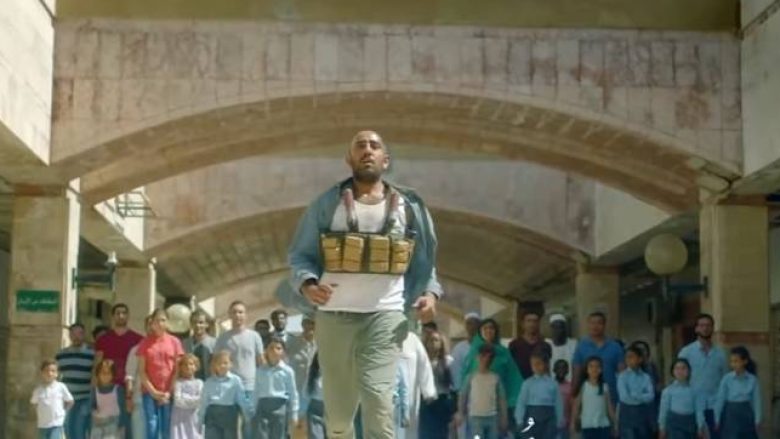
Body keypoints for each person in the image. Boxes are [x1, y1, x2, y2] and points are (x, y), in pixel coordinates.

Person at [287, 130, 442, 439]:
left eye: (374, 146)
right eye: (360, 146)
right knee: (339, 417)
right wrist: (308, 285)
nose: (367, 150)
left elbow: (424, 261)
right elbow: (300, 255)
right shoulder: (327, 204)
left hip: (386, 316)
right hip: (334, 317)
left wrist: (430, 294)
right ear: (349, 158)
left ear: (386, 160)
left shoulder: (409, 206)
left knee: (379, 401)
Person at [214, 300, 265, 439]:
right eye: (234, 312)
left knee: (249, 424)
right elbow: (215, 362)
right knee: (229, 424)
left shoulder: (254, 336)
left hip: (250, 386)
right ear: (230, 315)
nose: (238, 315)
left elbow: (261, 361)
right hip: (228, 387)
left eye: (241, 312)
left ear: (246, 315)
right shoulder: (223, 338)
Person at [461, 318, 523, 430]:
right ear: (480, 331)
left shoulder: (504, 352)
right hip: (477, 408)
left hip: (498, 406)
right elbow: (465, 377)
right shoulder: (474, 352)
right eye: (485, 328)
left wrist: (511, 402)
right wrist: (461, 409)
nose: (488, 331)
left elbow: (513, 377)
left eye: (491, 328)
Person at [94, 304, 144, 439]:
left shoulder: (138, 339)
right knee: (108, 427)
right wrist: (95, 388)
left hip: (129, 388)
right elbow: (97, 365)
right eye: (118, 313)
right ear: (113, 316)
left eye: (124, 313)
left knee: (128, 425)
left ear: (128, 316)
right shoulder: (103, 339)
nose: (121, 316)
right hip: (108, 389)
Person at [677, 313, 728, 439]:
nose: (705, 328)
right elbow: (680, 379)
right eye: (702, 325)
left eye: (708, 325)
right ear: (696, 328)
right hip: (691, 406)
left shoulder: (720, 354)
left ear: (712, 328)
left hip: (714, 406)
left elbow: (725, 380)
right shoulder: (686, 352)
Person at [137, 308, 184, 439]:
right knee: (152, 425)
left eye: (163, 320)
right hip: (149, 392)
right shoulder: (145, 343)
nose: (160, 323)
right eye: (157, 320)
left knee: (167, 427)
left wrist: (169, 392)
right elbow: (141, 371)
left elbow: (177, 370)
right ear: (152, 323)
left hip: (168, 392)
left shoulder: (175, 342)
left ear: (167, 322)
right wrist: (153, 392)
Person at [456, 344, 508, 439]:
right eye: (483, 356)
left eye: (489, 358)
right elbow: (463, 396)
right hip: (475, 417)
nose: (486, 360)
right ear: (477, 357)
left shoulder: (495, 378)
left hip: (492, 417)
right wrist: (460, 413)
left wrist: (504, 418)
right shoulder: (471, 377)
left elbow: (502, 399)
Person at [571, 312, 624, 405]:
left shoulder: (615, 347)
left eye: (599, 323)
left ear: (604, 325)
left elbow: (622, 373)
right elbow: (577, 372)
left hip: (611, 395)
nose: (595, 326)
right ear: (588, 325)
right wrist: (573, 394)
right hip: (588, 396)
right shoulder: (581, 346)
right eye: (592, 323)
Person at [252, 336, 299, 439]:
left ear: (283, 352)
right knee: (262, 435)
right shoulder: (260, 370)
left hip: (280, 407)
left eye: (278, 348)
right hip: (262, 407)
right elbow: (256, 391)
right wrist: (253, 409)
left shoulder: (287, 371)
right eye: (271, 348)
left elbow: (293, 393)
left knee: (279, 435)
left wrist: (294, 413)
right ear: (266, 350)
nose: (274, 351)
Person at [199, 351, 252, 439]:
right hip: (212, 414)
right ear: (214, 365)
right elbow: (203, 403)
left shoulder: (235, 380)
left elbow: (241, 400)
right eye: (219, 363)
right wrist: (200, 421)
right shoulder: (209, 382)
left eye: (225, 363)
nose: (222, 366)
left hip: (229, 414)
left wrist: (247, 415)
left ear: (231, 364)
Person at [56, 323, 95, 439]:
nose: (76, 337)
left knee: (80, 432)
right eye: (73, 334)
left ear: (84, 335)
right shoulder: (61, 355)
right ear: (69, 335)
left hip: (84, 399)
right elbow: (56, 376)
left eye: (79, 333)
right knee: (68, 431)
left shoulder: (92, 354)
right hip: (67, 401)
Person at [714, 346, 761, 439]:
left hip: (746, 414)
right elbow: (720, 400)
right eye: (732, 361)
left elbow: (756, 401)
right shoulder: (727, 379)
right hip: (731, 414)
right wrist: (717, 418)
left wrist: (757, 420)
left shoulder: (752, 380)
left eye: (736, 361)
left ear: (745, 361)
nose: (733, 364)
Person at [515, 351, 564, 439]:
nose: (536, 367)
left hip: (549, 416)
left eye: (539, 363)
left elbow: (558, 403)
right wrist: (519, 420)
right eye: (533, 364)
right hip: (532, 415)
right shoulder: (527, 383)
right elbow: (521, 402)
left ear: (545, 364)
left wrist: (559, 421)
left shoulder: (553, 383)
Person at [399, 330, 437, 439]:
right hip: (386, 395)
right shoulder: (379, 336)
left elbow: (424, 365)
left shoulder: (412, 339)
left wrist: (428, 391)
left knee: (409, 432)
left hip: (410, 396)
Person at [419, 329, 455, 439]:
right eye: (431, 340)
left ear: (441, 343)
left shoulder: (448, 361)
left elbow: (454, 385)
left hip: (442, 401)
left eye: (436, 340)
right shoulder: (422, 362)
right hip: (426, 403)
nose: (433, 343)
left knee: (441, 434)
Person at [571, 356, 617, 439]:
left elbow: (609, 408)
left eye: (597, 366)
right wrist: (573, 424)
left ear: (601, 369)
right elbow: (576, 407)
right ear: (586, 369)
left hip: (603, 425)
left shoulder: (605, 386)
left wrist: (615, 424)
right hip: (587, 425)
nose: (594, 369)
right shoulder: (583, 386)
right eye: (591, 366)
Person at [658, 358, 705, 439]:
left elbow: (699, 410)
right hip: (674, 424)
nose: (680, 371)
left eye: (683, 368)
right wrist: (662, 427)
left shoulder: (695, 391)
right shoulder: (668, 391)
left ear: (689, 371)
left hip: (690, 424)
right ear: (673, 371)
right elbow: (663, 411)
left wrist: (700, 426)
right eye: (677, 368)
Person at [617, 346, 655, 439]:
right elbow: (624, 397)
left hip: (643, 417)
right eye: (627, 357)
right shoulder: (622, 376)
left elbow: (650, 396)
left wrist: (634, 395)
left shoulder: (646, 377)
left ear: (640, 359)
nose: (628, 360)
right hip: (627, 416)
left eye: (631, 357)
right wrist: (642, 397)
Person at [31, 360, 74, 439]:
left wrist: (64, 412)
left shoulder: (61, 387)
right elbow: (34, 403)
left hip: (56, 424)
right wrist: (41, 412)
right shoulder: (38, 390)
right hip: (42, 425)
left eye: (53, 371)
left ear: (57, 373)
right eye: (47, 371)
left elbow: (70, 401)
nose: (50, 373)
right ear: (42, 373)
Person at [126, 316, 152, 439]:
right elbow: (130, 376)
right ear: (145, 327)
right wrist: (129, 398)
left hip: (160, 401)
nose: (153, 327)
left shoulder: (168, 347)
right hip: (139, 399)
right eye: (150, 324)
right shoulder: (136, 349)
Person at [509, 310, 552, 379]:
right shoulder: (514, 345)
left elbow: (548, 370)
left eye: (535, 321)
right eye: (529, 321)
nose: (532, 324)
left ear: (538, 324)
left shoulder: (545, 346)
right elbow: (511, 369)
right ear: (523, 324)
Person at [91, 359, 127, 438]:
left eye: (108, 373)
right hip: (98, 422)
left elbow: (123, 407)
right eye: (103, 372)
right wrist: (93, 409)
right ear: (98, 374)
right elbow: (92, 404)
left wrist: (121, 424)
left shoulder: (118, 389)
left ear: (113, 374)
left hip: (114, 422)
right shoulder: (94, 390)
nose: (105, 375)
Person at [170, 354, 204, 439]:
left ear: (196, 367)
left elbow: (200, 400)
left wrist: (185, 397)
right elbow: (177, 401)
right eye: (185, 364)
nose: (188, 367)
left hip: (194, 417)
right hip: (179, 419)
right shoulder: (178, 383)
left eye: (191, 364)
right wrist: (193, 400)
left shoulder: (199, 383)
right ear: (181, 367)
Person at [287, 316, 318, 398]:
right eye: (308, 323)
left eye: (313, 323)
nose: (311, 326)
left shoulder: (322, 344)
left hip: (316, 392)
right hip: (296, 389)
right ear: (303, 324)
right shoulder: (291, 343)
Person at [183, 310, 216, 382]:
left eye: (201, 322)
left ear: (207, 324)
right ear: (191, 324)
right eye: (194, 322)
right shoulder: (185, 344)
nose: (197, 325)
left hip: (209, 383)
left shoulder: (214, 343)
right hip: (189, 384)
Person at [451, 313, 480, 391]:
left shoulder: (484, 346)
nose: (472, 326)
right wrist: (459, 389)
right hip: (464, 390)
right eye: (469, 323)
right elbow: (456, 371)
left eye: (475, 323)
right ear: (466, 326)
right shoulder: (458, 348)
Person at [545, 314, 577, 381]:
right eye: (555, 327)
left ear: (565, 328)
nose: (559, 330)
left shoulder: (574, 344)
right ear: (551, 329)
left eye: (561, 327)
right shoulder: (546, 344)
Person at [302, 352, 326, 439]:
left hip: (320, 407)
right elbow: (305, 392)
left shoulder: (313, 374)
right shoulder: (313, 374)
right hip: (317, 409)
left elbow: (305, 393)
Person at [553, 359, 572, 439]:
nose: (561, 370)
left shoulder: (570, 387)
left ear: (567, 371)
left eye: (564, 368)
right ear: (554, 370)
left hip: (565, 425)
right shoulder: (549, 385)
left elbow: (572, 406)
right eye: (559, 368)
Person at [394, 362, 410, 439]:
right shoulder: (399, 364)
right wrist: (405, 413)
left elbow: (404, 389)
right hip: (392, 402)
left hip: (392, 403)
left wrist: (405, 413)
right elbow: (404, 388)